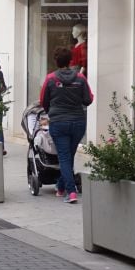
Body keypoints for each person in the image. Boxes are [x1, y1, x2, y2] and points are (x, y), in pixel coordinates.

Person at [39, 46, 93, 205]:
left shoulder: (50, 79)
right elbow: (88, 100)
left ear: (56, 61)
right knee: (68, 156)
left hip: (59, 123)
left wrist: (52, 112)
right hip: (78, 122)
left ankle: (71, 192)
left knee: (64, 157)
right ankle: (61, 186)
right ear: (70, 61)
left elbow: (43, 101)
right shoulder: (81, 78)